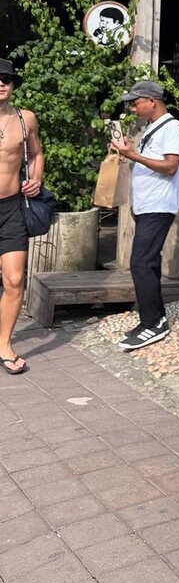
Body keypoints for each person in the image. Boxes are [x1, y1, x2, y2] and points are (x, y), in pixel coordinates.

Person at [111, 80, 179, 351]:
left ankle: (151, 323)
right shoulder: (151, 128)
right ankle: (156, 319)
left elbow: (170, 166)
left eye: (136, 103)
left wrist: (133, 155)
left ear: (152, 101)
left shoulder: (173, 128)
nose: (133, 108)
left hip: (159, 206)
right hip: (146, 206)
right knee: (149, 263)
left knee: (140, 263)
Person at [0, 59, 43, 375]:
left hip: (11, 208)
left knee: (15, 280)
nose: (1, 83)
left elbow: (36, 154)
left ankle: (3, 345)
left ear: (13, 85)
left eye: (6, 78)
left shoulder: (25, 119)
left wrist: (36, 178)